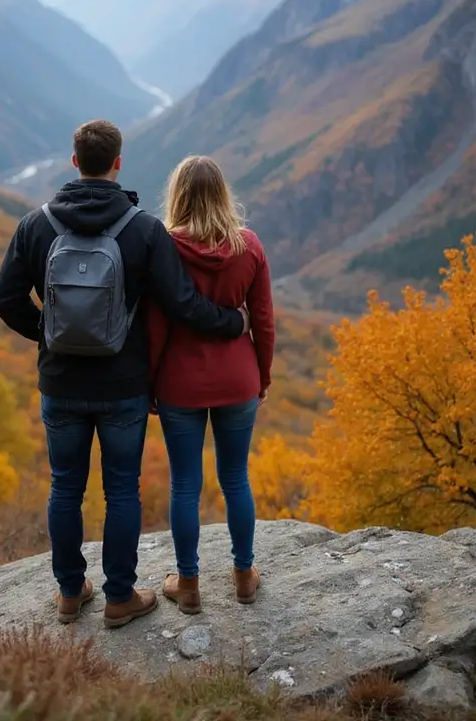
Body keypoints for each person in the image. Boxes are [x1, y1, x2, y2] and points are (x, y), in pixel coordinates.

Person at [0, 121, 248, 630]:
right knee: (122, 491)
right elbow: (182, 305)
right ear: (118, 163)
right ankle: (119, 597)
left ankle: (69, 593)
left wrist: (46, 332)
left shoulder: (35, 225)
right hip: (123, 386)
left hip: (60, 383)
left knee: (64, 487)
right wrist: (233, 322)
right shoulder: (144, 229)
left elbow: (3, 298)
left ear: (73, 161)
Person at [147, 155, 275, 615]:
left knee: (185, 484)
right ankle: (244, 577)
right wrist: (263, 373)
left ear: (177, 195)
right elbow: (262, 320)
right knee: (236, 477)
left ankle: (189, 585)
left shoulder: (164, 248)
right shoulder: (250, 246)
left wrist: (150, 383)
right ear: (223, 193)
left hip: (181, 382)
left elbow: (155, 325)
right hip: (238, 378)